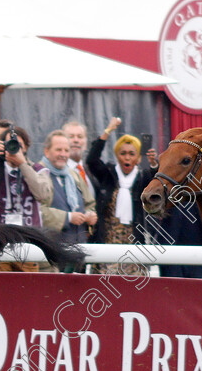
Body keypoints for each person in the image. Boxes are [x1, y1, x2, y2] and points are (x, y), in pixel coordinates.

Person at [86, 117, 157, 275]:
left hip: (134, 242)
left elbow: (157, 181)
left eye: (132, 154)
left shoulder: (143, 178)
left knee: (131, 292)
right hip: (107, 241)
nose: (127, 157)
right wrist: (107, 131)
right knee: (103, 286)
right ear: (117, 156)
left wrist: (153, 164)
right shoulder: (108, 175)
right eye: (123, 153)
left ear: (138, 158)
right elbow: (91, 160)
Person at [0, 124, 52, 227]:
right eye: (10, 144)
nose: (15, 149)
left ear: (26, 147)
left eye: (19, 145)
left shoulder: (38, 169)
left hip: (31, 231)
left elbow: (43, 196)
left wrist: (23, 164)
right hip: (2, 231)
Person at [40, 130, 97, 272]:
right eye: (58, 149)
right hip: (50, 254)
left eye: (66, 150)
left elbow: (90, 203)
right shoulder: (38, 173)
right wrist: (68, 217)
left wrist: (90, 215)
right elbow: (37, 211)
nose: (63, 154)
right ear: (47, 151)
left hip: (78, 251)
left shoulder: (74, 175)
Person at [62, 120, 97, 196]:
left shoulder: (92, 172)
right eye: (71, 137)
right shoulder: (58, 172)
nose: (76, 140)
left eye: (80, 137)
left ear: (86, 143)